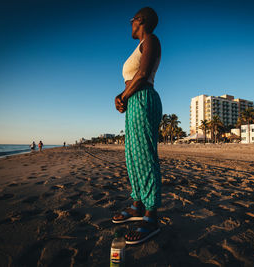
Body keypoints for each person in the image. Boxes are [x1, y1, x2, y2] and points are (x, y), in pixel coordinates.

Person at [113, 7, 162, 245]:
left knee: (145, 155)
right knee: (132, 155)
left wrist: (123, 96)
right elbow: (134, 79)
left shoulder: (151, 40)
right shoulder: (139, 44)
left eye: (131, 20)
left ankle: (151, 216)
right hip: (134, 101)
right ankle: (137, 205)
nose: (130, 24)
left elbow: (142, 74)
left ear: (139, 20)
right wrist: (121, 97)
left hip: (143, 99)